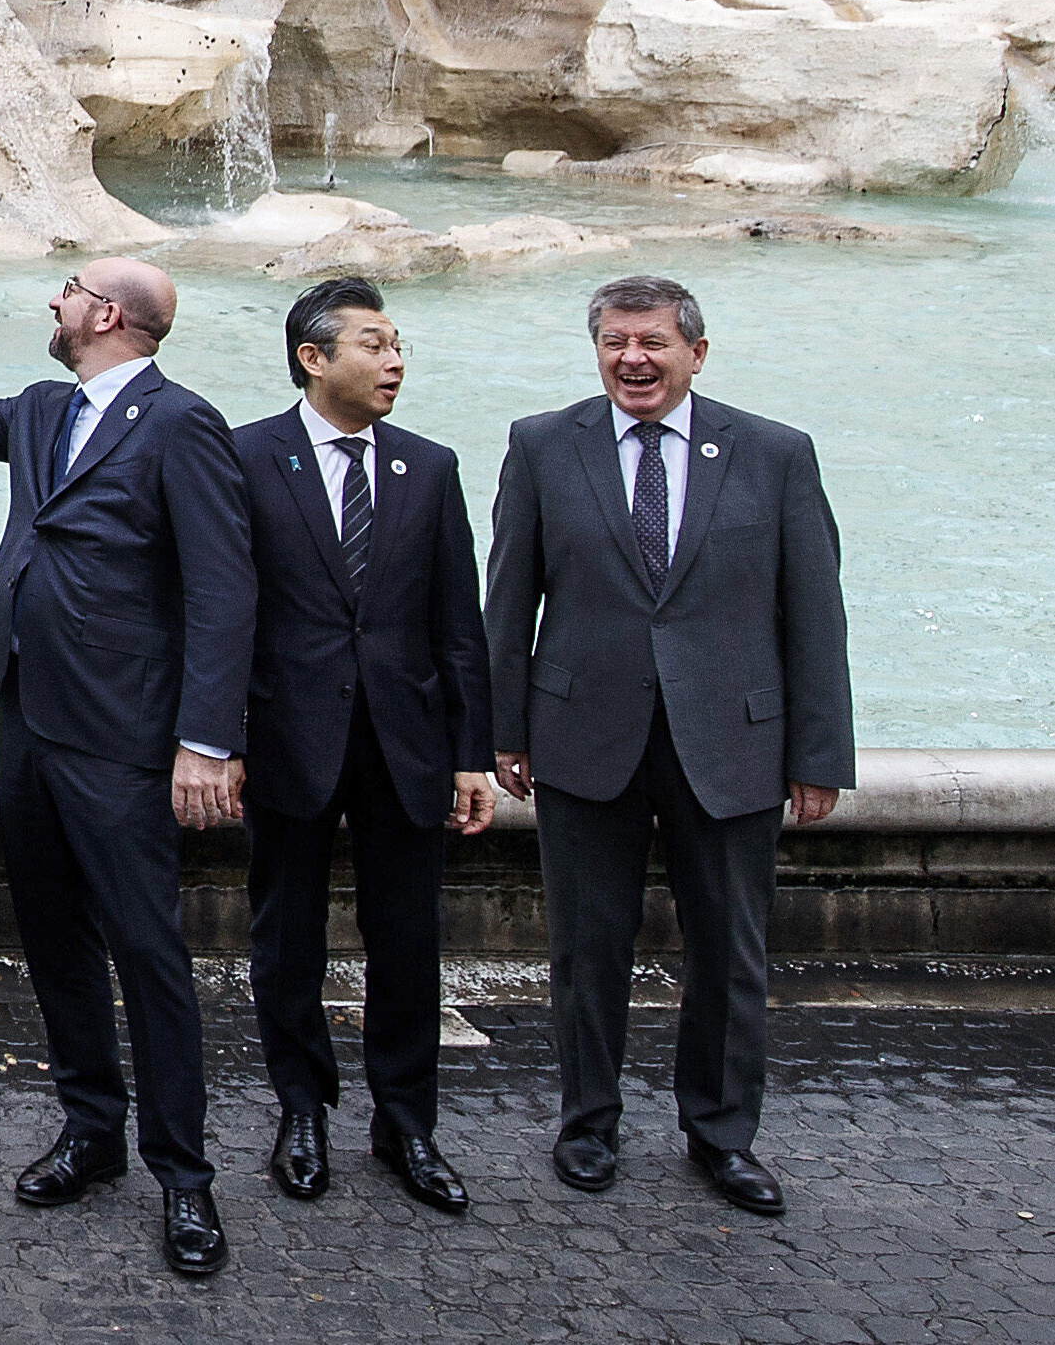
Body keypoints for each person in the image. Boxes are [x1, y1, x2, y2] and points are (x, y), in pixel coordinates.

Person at [0, 225, 253, 1279]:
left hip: (126, 729)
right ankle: (92, 1130)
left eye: (70, 290)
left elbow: (225, 589)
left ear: (109, 315)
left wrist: (206, 739)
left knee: (148, 949)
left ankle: (185, 1173)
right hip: (28, 713)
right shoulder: (43, 409)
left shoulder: (184, 423)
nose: (55, 301)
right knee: (52, 937)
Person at [489, 274, 852, 1218]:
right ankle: (587, 1125)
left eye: (650, 342)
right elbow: (507, 600)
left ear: (695, 351)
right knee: (584, 949)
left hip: (731, 741)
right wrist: (501, 730)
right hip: (581, 736)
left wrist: (818, 753)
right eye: (613, 342)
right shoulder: (540, 445)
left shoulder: (775, 453)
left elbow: (813, 612)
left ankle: (722, 1137)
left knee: (730, 951)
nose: (631, 360)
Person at [237, 279, 491, 1213]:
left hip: (406, 743)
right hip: (285, 738)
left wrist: (471, 750)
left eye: (397, 348)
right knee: (285, 941)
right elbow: (223, 613)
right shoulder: (246, 457)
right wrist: (214, 741)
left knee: (407, 941)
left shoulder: (428, 466)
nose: (394, 364)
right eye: (375, 346)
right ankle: (299, 1110)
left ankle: (406, 1124)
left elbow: (456, 623)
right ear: (314, 358)